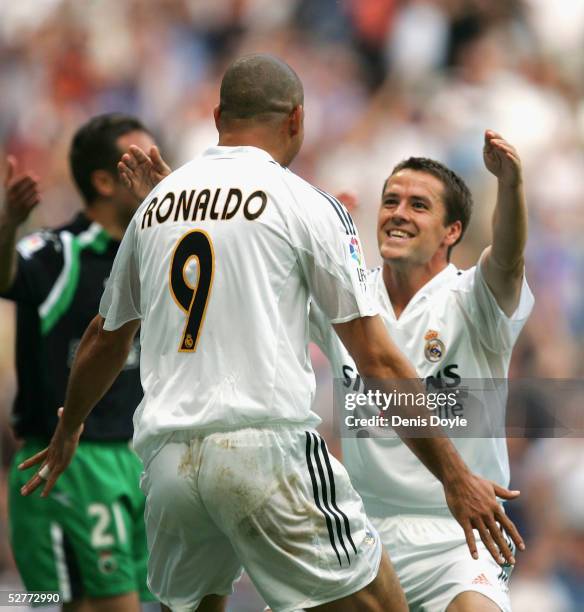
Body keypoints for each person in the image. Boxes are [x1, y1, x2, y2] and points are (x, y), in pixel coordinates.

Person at [20, 56, 523, 612]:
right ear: (296, 121)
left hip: (167, 463)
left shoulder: (155, 208)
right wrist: (455, 475)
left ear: (217, 116)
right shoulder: (304, 202)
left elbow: (104, 338)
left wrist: (70, 427)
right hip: (265, 450)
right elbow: (377, 362)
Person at [309, 131, 533, 611]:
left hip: (459, 533)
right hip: (362, 531)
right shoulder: (350, 298)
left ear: (451, 231)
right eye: (390, 201)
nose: (398, 213)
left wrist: (511, 186)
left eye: (418, 205)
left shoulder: (474, 299)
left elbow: (509, 258)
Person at [0, 113, 166, 611]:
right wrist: (8, 225)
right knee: (90, 604)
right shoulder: (60, 252)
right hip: (73, 458)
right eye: (143, 159)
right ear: (102, 180)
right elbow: (6, 276)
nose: (160, 171)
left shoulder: (164, 254)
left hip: (143, 461)